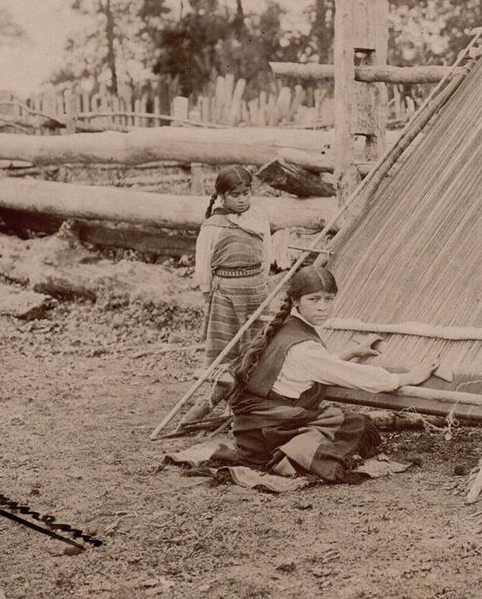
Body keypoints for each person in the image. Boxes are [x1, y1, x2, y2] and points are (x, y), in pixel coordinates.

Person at [227, 265, 438, 483]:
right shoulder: (305, 347)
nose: (323, 308)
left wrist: (352, 352)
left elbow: (313, 367)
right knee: (356, 424)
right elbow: (356, 377)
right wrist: (407, 378)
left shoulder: (286, 327)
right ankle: (289, 456)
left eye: (329, 299)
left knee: (338, 418)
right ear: (296, 301)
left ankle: (293, 450)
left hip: (252, 427)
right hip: (270, 430)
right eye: (314, 299)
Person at [181, 166, 275, 428]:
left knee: (257, 344)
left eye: (246, 193)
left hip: (256, 289)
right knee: (228, 346)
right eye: (235, 195)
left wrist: (261, 282)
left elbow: (266, 254)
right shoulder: (214, 225)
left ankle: (254, 397)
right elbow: (203, 263)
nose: (242, 199)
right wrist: (206, 293)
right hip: (226, 292)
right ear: (222, 196)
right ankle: (227, 396)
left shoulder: (258, 218)